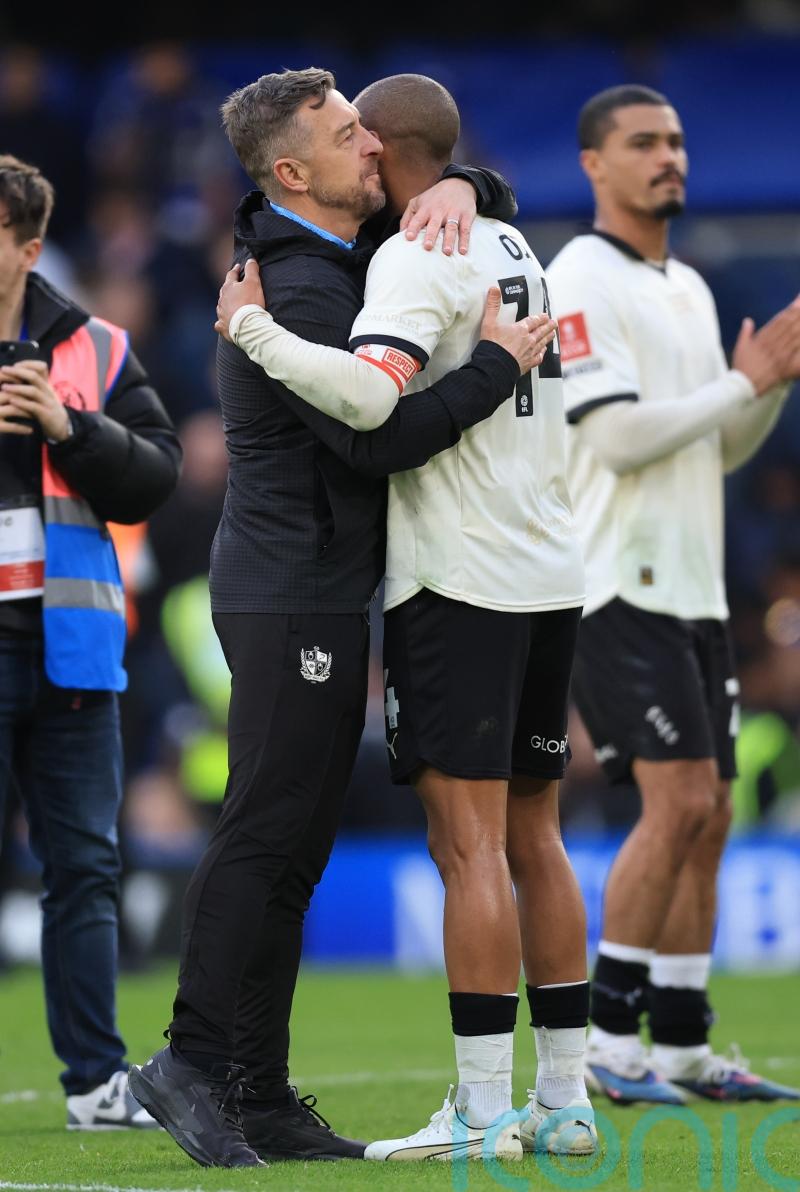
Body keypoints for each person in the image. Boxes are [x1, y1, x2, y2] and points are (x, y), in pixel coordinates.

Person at [129, 67, 554, 1169]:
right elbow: (375, 439)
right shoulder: (300, 287)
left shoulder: (330, 258)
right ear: (292, 171)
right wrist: (497, 368)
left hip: (312, 586)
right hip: (287, 590)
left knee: (295, 850)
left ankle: (256, 1091)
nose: (370, 146)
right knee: (265, 829)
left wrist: (459, 180)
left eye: (366, 128)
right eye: (344, 132)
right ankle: (187, 1062)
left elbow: (448, 187)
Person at [546, 85, 800, 1104]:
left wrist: (767, 380)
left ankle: (685, 1044)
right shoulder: (578, 276)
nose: (668, 157)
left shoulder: (688, 288)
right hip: (615, 582)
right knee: (679, 799)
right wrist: (738, 388)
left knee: (713, 811)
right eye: (642, 142)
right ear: (592, 165)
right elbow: (612, 434)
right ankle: (608, 1043)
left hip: (690, 590)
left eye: (677, 141)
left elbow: (719, 444)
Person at [0, 155, 181, 1127]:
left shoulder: (99, 350)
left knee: (84, 867)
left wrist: (68, 425)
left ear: (30, 249)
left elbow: (153, 478)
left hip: (68, 643)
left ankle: (96, 1084)